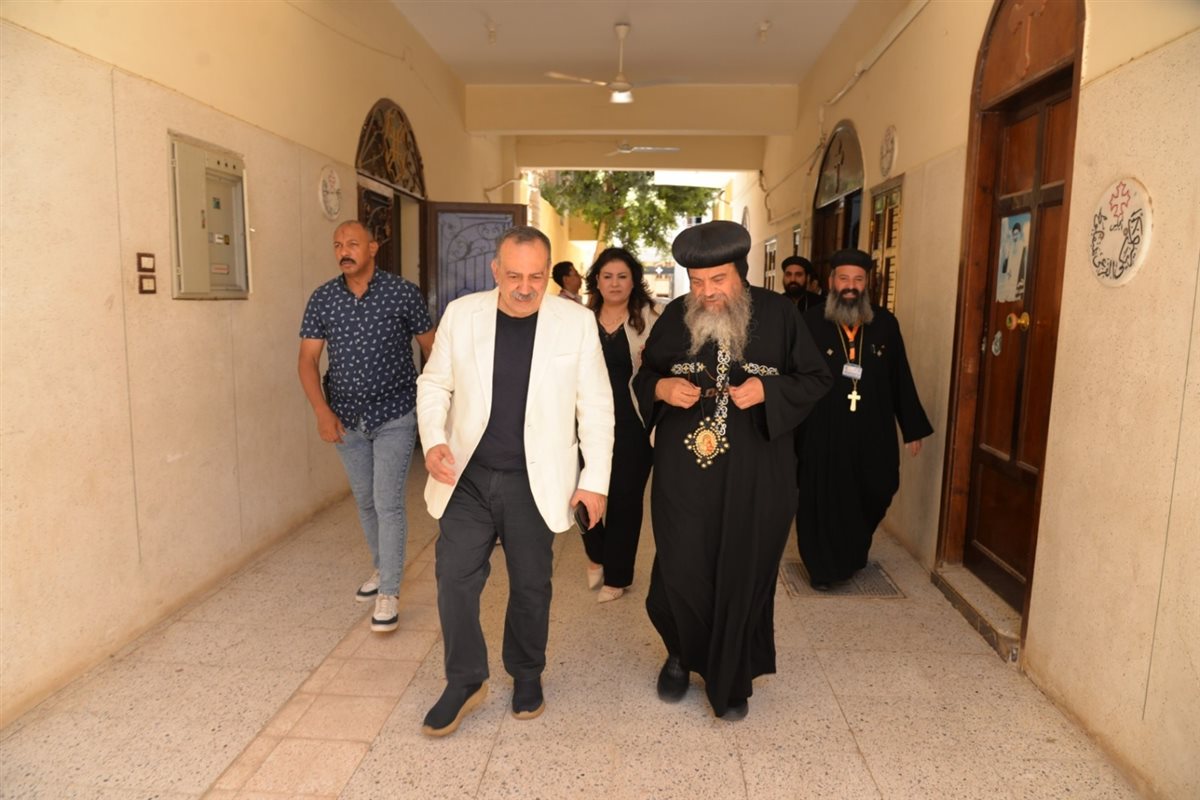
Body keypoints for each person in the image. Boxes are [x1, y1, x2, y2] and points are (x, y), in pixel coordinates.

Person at [415, 226, 614, 737]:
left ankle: (527, 673)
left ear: (548, 273)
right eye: (514, 276)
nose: (525, 288)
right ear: (495, 271)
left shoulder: (576, 322)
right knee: (454, 577)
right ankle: (465, 680)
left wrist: (595, 480)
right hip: (468, 474)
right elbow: (434, 383)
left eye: (536, 277)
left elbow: (595, 406)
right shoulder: (462, 314)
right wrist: (433, 439)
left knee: (530, 584)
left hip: (535, 478)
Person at [632, 221, 831, 721]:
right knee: (679, 567)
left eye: (717, 280)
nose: (707, 292)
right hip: (684, 472)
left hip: (757, 472)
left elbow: (816, 378)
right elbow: (646, 375)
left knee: (744, 569)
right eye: (697, 281)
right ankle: (679, 654)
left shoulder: (780, 314)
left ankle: (732, 675)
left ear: (740, 272)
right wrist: (661, 389)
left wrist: (769, 390)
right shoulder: (676, 316)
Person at [298, 221, 435, 632]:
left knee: (387, 501)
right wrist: (322, 412)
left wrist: (434, 407)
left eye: (353, 243)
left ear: (372, 248)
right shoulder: (323, 298)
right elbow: (307, 360)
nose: (344, 251)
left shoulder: (402, 293)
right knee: (365, 500)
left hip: (395, 413)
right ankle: (382, 566)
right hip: (346, 418)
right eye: (338, 245)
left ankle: (389, 591)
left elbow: (432, 349)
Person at [795, 248, 933, 588]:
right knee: (822, 496)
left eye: (858, 280)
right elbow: (793, 376)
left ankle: (854, 551)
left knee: (878, 486)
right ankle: (823, 568)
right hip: (823, 429)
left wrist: (911, 427)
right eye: (844, 278)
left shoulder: (885, 324)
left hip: (873, 428)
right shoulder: (810, 323)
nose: (850, 286)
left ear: (867, 283)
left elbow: (900, 376)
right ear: (831, 281)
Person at [581, 247, 661, 603]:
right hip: (583, 422)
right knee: (579, 491)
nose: (615, 283)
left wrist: (651, 361)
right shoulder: (580, 319)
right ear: (597, 281)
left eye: (622, 276)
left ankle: (617, 576)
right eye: (608, 276)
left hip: (632, 422)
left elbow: (669, 364)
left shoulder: (652, 317)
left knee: (624, 500)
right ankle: (596, 552)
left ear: (634, 281)